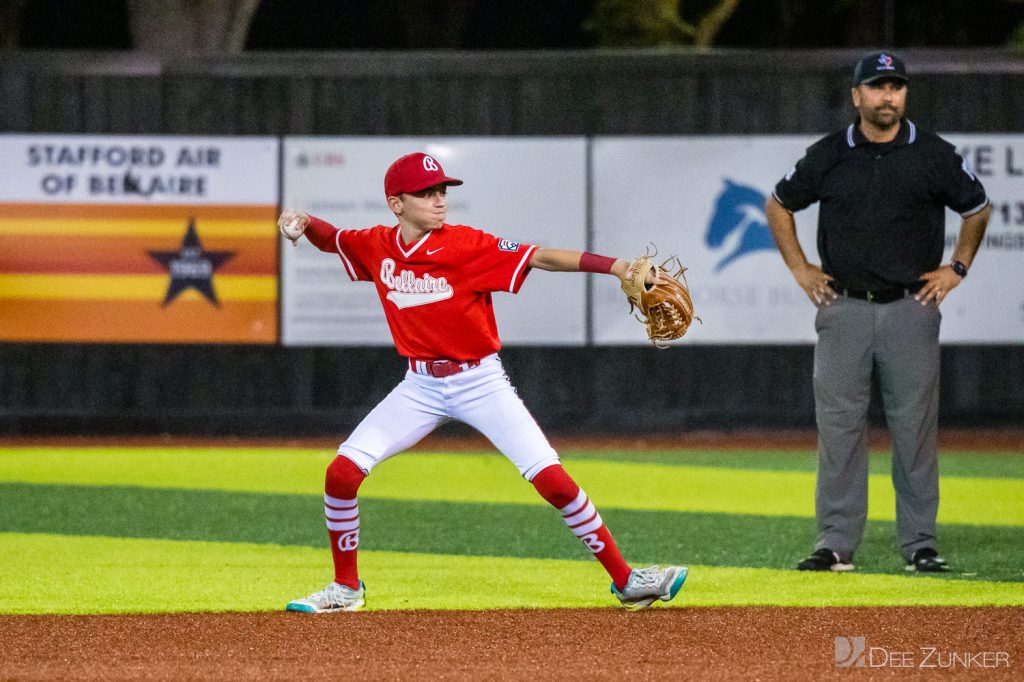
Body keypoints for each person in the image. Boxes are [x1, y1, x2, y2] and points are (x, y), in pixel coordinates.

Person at [278, 151, 688, 612]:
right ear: (397, 204)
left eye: (442, 192)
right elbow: (334, 240)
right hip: (419, 386)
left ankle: (628, 581)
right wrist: (304, 220)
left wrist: (614, 266)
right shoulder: (378, 244)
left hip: (480, 382)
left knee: (553, 481)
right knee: (341, 473)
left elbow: (542, 257)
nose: (439, 201)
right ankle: (346, 589)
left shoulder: (466, 245)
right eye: (426, 193)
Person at [765, 52, 990, 574]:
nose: (888, 96)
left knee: (915, 430)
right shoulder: (829, 154)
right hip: (843, 306)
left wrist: (956, 268)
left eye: (896, 87)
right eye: (877, 87)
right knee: (839, 428)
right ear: (856, 96)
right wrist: (801, 269)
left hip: (911, 307)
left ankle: (920, 545)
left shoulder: (933, 154)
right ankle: (836, 543)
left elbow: (977, 209)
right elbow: (778, 205)